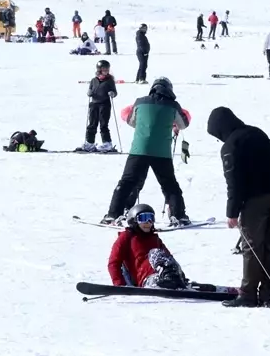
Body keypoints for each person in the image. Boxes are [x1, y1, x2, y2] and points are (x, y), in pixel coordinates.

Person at [206, 106, 270, 308]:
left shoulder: (230, 146)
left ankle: (248, 294)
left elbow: (233, 182)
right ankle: (267, 293)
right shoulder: (257, 132)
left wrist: (232, 213)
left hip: (256, 200)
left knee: (251, 246)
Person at [102, 77, 190, 226]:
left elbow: (131, 121)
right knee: (169, 185)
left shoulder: (140, 102)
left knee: (126, 182)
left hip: (139, 149)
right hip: (161, 152)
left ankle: (113, 214)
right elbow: (183, 124)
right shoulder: (173, 105)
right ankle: (178, 215)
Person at [107, 204, 188, 289]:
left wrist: (181, 275)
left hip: (165, 276)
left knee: (165, 257)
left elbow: (169, 258)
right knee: (155, 253)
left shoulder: (155, 238)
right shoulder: (127, 236)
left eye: (151, 218)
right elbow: (114, 263)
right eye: (143, 218)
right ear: (134, 220)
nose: (148, 222)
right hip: (147, 278)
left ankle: (177, 280)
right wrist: (119, 285)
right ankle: (165, 281)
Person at [81, 59, 119, 152]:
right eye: (104, 69)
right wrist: (89, 93)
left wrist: (112, 93)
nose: (106, 71)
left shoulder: (110, 80)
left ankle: (107, 143)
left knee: (103, 124)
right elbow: (90, 90)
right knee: (92, 124)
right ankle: (90, 143)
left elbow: (115, 92)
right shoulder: (93, 80)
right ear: (99, 69)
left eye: (107, 69)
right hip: (94, 104)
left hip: (104, 104)